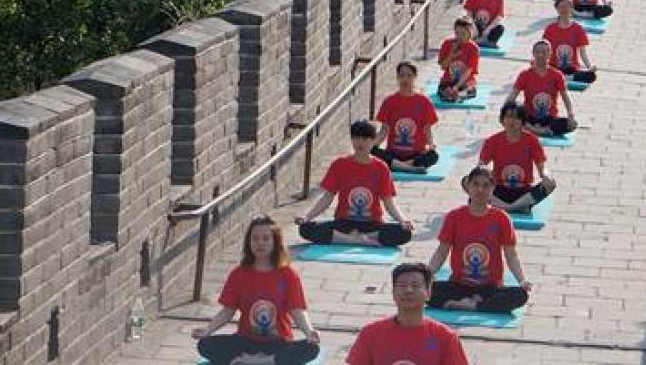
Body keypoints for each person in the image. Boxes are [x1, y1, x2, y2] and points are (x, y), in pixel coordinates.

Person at [193, 216, 321, 365]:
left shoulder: (288, 274)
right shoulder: (238, 274)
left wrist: (309, 332)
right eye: (255, 239)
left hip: (278, 343)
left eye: (266, 239)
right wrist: (207, 330)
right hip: (245, 341)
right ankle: (256, 361)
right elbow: (228, 311)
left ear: (275, 242)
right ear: (249, 242)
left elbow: (297, 310)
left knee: (311, 349)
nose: (260, 243)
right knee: (205, 345)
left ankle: (260, 361)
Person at [426, 166, 533, 314]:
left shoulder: (501, 218)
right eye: (475, 184)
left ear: (493, 189)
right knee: (424, 291)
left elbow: (511, 255)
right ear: (468, 187)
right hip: (459, 285)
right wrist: (428, 273)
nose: (480, 190)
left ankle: (469, 305)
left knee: (520, 295)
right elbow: (441, 252)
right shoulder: (454, 217)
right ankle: (477, 304)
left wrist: (522, 280)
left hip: (489, 287)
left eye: (485, 185)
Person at [296, 120, 415, 246]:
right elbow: (327, 197)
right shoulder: (340, 164)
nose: (360, 143)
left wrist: (403, 221)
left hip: (371, 224)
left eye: (365, 139)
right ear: (352, 139)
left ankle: (347, 239)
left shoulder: (381, 168)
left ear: (373, 141)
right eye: (357, 138)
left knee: (404, 233)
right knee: (305, 229)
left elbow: (389, 202)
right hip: (344, 222)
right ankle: (362, 240)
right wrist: (307, 217)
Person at [346, 262, 469, 365]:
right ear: (393, 293)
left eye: (415, 286)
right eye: (402, 286)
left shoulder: (446, 338)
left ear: (428, 293)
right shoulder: (371, 333)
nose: (408, 290)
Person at [479, 101, 557, 211]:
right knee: (468, 182)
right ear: (502, 120)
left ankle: (510, 207)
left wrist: (546, 176)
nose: (512, 121)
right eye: (509, 117)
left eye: (517, 118)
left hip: (523, 192)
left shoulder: (532, 141)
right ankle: (514, 207)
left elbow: (542, 169)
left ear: (523, 122)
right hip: (499, 190)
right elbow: (481, 167)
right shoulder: (492, 141)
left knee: (551, 183)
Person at [372, 62, 440, 173]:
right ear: (397, 78)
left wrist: (431, 145)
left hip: (415, 154)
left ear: (414, 77)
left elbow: (427, 129)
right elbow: (384, 130)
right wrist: (374, 145)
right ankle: (410, 168)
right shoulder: (389, 101)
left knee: (433, 156)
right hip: (394, 153)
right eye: (402, 75)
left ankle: (400, 165)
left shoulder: (424, 102)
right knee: (372, 150)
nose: (405, 79)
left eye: (409, 75)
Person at [505, 41, 578, 138]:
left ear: (550, 54)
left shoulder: (557, 75)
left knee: (572, 125)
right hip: (529, 118)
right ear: (533, 54)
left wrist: (570, 114)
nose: (540, 55)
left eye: (544, 52)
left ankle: (537, 129)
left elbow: (565, 98)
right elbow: (511, 97)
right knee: (515, 109)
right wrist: (506, 111)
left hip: (548, 118)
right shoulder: (525, 75)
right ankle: (535, 129)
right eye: (537, 52)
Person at [543, 0, 597, 85]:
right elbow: (544, 50)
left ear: (571, 8)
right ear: (557, 10)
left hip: (571, 68)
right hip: (553, 66)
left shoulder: (578, 29)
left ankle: (563, 78)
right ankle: (561, 77)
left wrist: (589, 67)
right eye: (561, 7)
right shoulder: (550, 29)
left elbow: (583, 53)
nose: (564, 10)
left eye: (566, 7)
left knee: (591, 76)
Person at [436, 17, 479, 101]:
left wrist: (456, 87)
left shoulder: (473, 48)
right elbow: (443, 67)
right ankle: (450, 94)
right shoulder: (447, 44)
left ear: (469, 33)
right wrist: (451, 55)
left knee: (470, 89)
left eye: (463, 34)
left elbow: (469, 71)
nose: (459, 36)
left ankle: (457, 95)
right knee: (443, 89)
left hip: (465, 81)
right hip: (448, 80)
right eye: (457, 33)